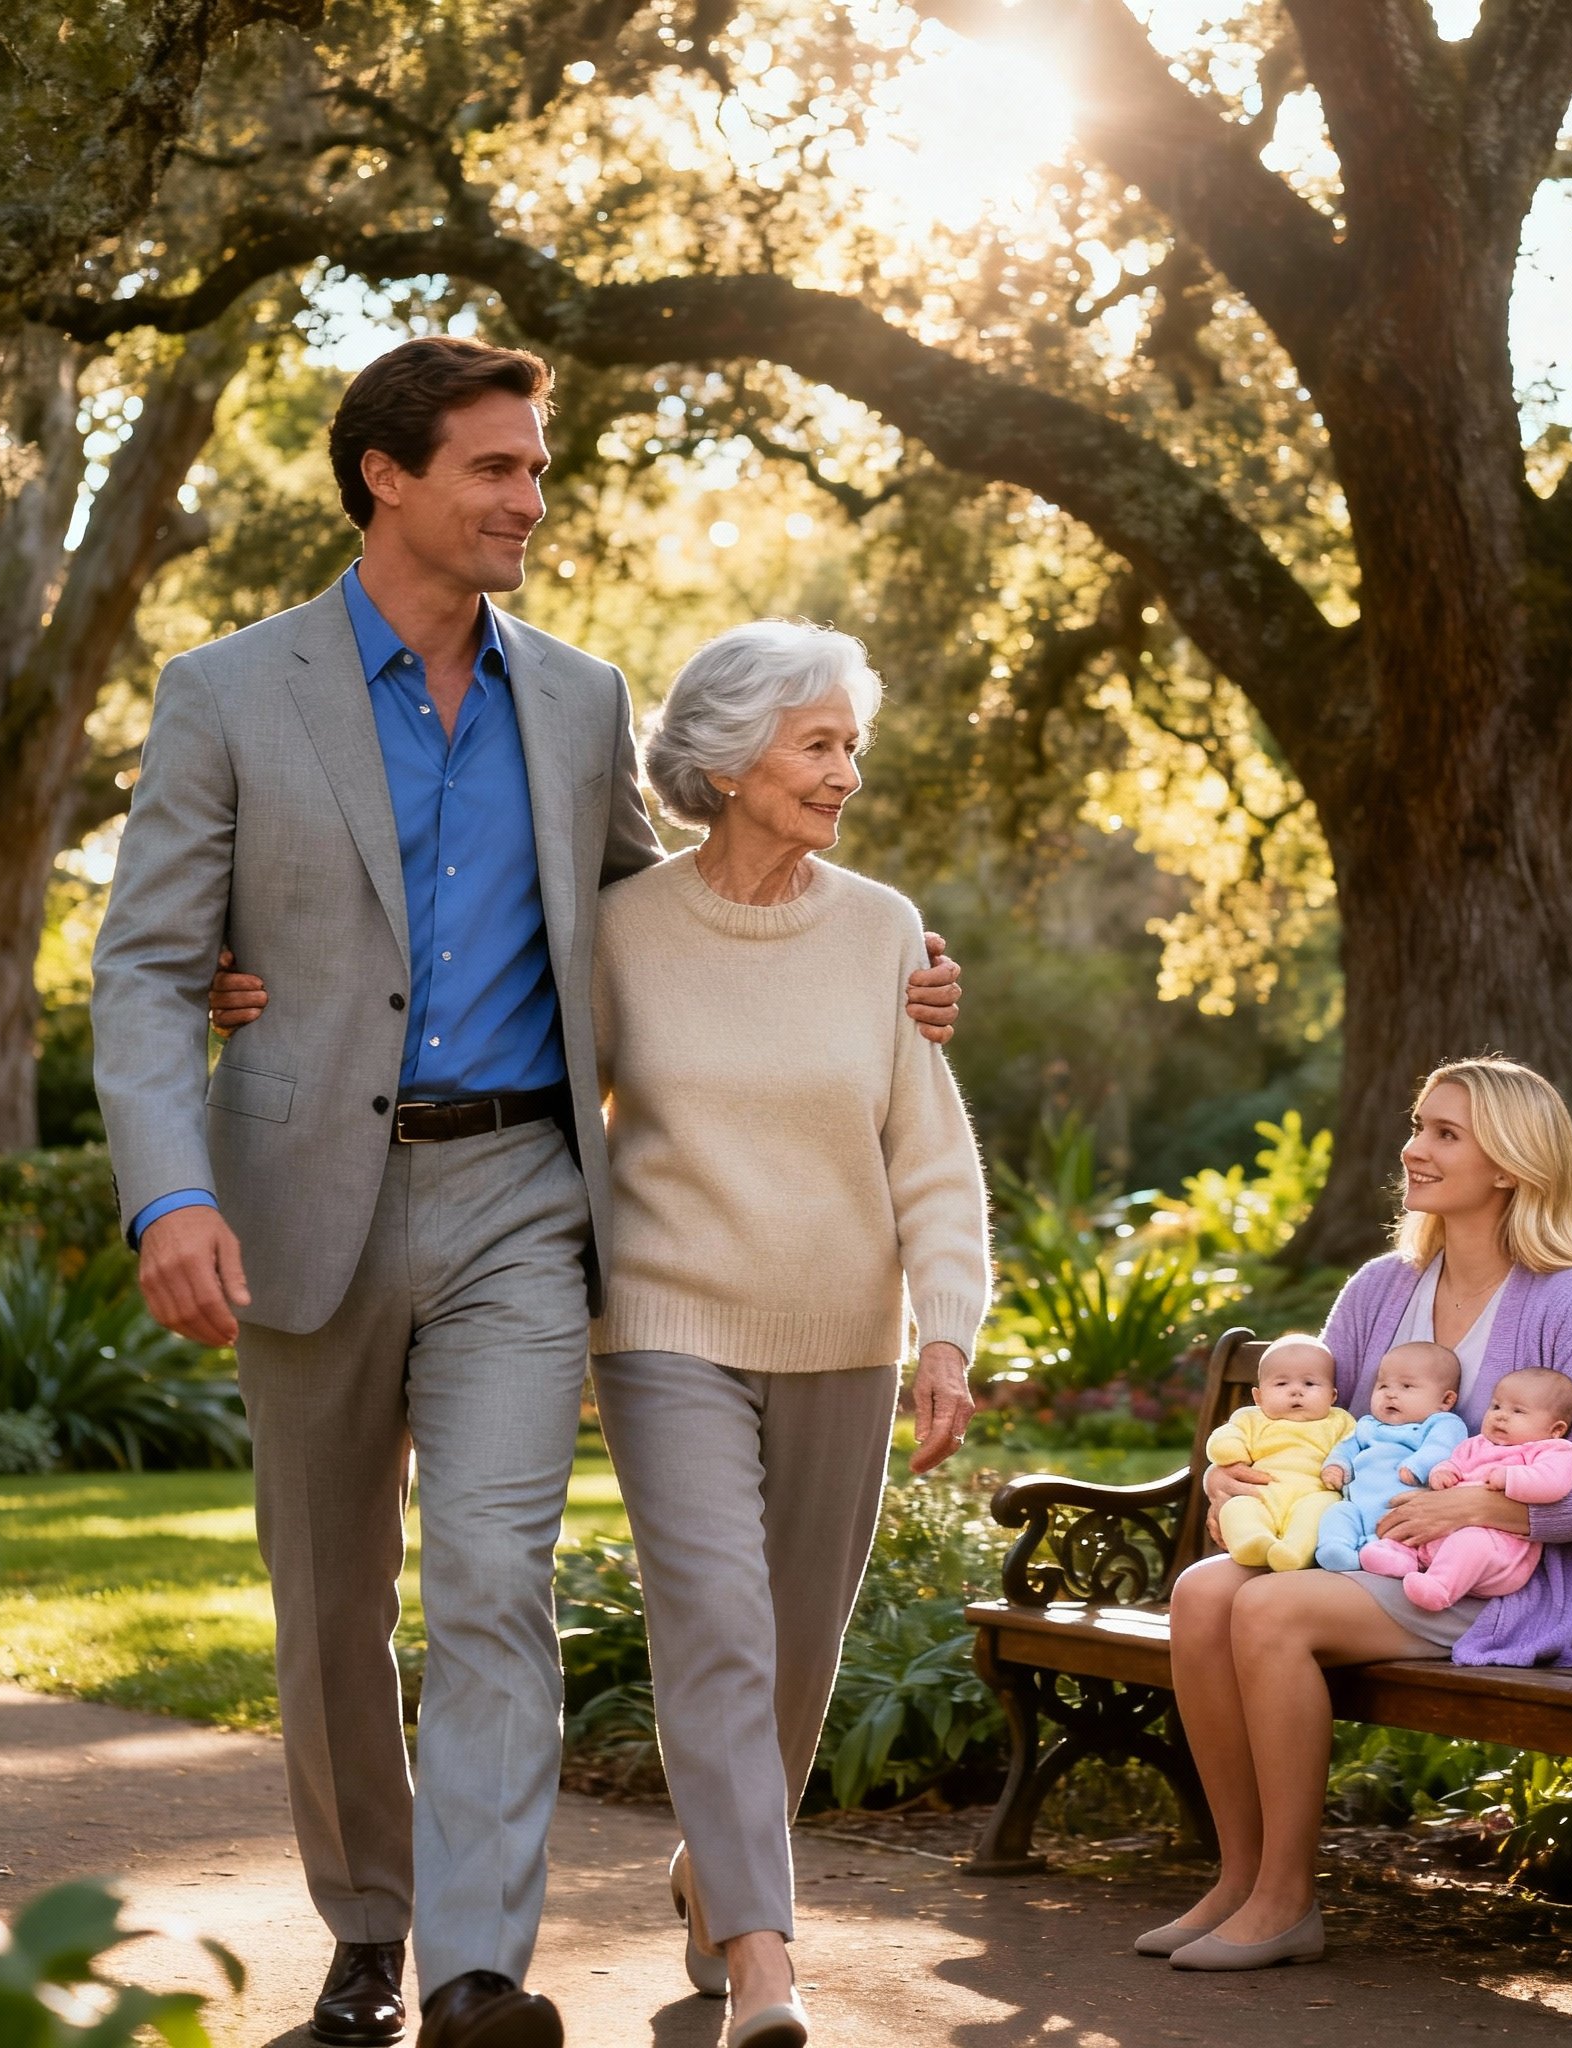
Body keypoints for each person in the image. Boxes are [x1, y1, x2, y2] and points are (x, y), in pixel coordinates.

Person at [95, 335, 962, 2048]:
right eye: (497, 468)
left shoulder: (575, 699)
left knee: (495, 1569)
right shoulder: (229, 691)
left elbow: (675, 914)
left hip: (516, 1189)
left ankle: (475, 1968)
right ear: (386, 477)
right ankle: (365, 1918)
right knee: (329, 1591)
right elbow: (139, 969)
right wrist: (166, 1189)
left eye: (538, 469)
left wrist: (886, 968)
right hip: (292, 1195)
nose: (530, 501)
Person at [585, 620, 989, 2048]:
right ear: (733, 754)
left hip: (841, 1336)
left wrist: (945, 1331)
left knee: (799, 1656)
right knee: (718, 1626)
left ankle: (714, 1869)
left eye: (849, 747)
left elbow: (929, 1154)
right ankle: (766, 1956)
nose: (844, 773)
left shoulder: (883, 928)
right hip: (664, 1324)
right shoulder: (621, 930)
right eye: (820, 744)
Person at [1140, 1056, 1572, 1973]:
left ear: (1511, 1166)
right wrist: (1231, 1479)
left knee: (1268, 1610)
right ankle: (1239, 1879)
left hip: (1489, 1581)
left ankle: (1288, 1899)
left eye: (1446, 1134)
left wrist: (1474, 1506)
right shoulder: (1378, 1287)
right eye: (1419, 1126)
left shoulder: (1571, 1300)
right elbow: (1318, 1423)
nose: (1414, 1148)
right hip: (1366, 1552)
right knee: (1205, 1593)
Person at [1360, 1366, 1572, 1610]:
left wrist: (1512, 1478)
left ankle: (1440, 1588)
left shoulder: (1552, 1450)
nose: (1501, 1416)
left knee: (1469, 1541)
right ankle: (1400, 1558)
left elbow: (1554, 1483)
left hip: (1499, 1549)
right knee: (1416, 1523)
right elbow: (1455, 1462)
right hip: (1445, 1527)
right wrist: (1444, 1472)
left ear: (1555, 1429)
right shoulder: (1477, 1444)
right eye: (1496, 1406)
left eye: (1518, 1411)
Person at [1311, 1341, 1468, 1573]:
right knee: (1337, 1513)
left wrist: (1418, 1466)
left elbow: (1442, 1447)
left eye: (1406, 1386)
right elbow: (1346, 1448)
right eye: (1383, 1386)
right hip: (1357, 1506)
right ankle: (1337, 1550)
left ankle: (1386, 1554)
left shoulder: (1441, 1423)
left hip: (1402, 1506)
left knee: (1401, 1530)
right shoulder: (1367, 1426)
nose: (1391, 1395)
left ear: (1446, 1401)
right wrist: (1336, 1466)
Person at [1201, 1336, 1354, 1571]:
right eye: (1282, 1384)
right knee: (1239, 1506)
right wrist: (1230, 1449)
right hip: (1262, 1493)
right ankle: (1252, 1542)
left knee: (1325, 1509)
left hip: (1314, 1493)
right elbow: (1226, 1440)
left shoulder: (1340, 1421)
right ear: (1258, 1397)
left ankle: (1294, 1551)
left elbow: (1352, 1449)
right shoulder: (1251, 1419)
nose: (1296, 1392)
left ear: (1332, 1396)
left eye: (1310, 1384)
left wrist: (1340, 1467)